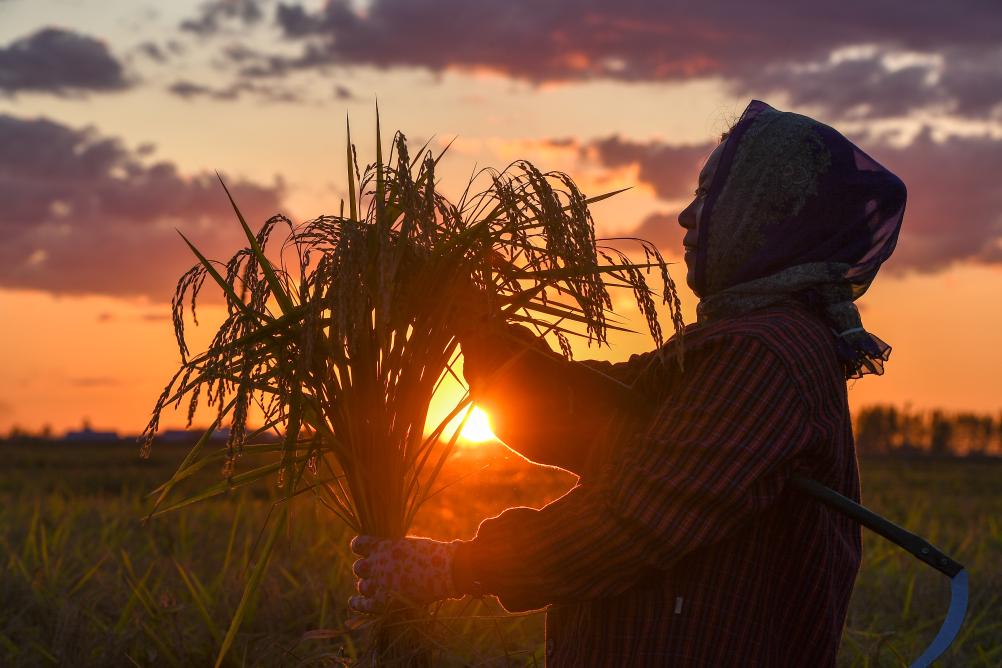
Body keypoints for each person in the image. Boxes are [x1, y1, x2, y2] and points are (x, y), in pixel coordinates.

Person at [349, 99, 907, 666]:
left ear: (772, 212)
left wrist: (454, 567)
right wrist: (473, 321)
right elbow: (577, 416)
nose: (689, 217)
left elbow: (634, 521)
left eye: (713, 194)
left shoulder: (766, 354)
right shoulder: (732, 344)